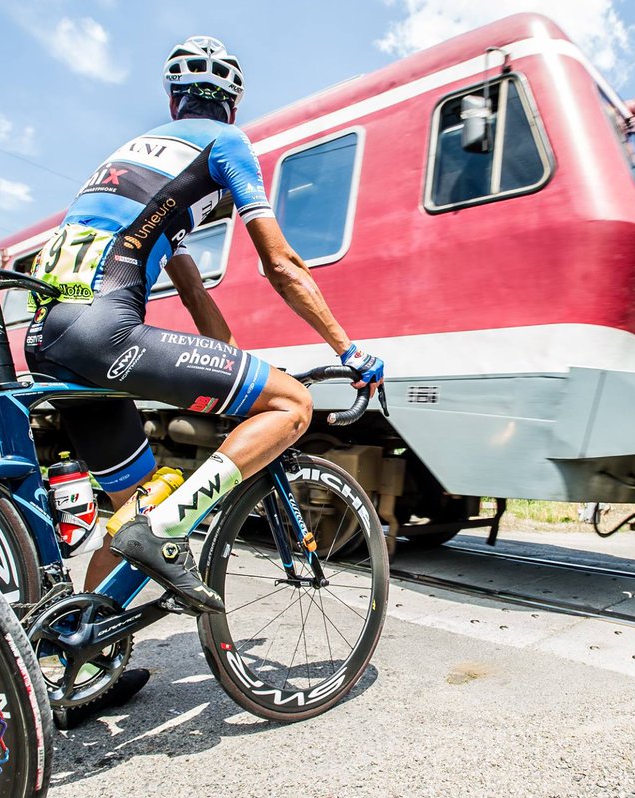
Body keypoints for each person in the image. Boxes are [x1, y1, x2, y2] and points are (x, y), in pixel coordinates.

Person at [24, 36, 384, 723]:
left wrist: (233, 366)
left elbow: (195, 297)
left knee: (131, 505)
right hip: (104, 333)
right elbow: (282, 265)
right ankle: (166, 533)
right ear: (233, 103)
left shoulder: (130, 163)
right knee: (292, 402)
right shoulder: (225, 144)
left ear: (171, 101)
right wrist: (346, 347)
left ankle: (73, 668)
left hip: (52, 340)